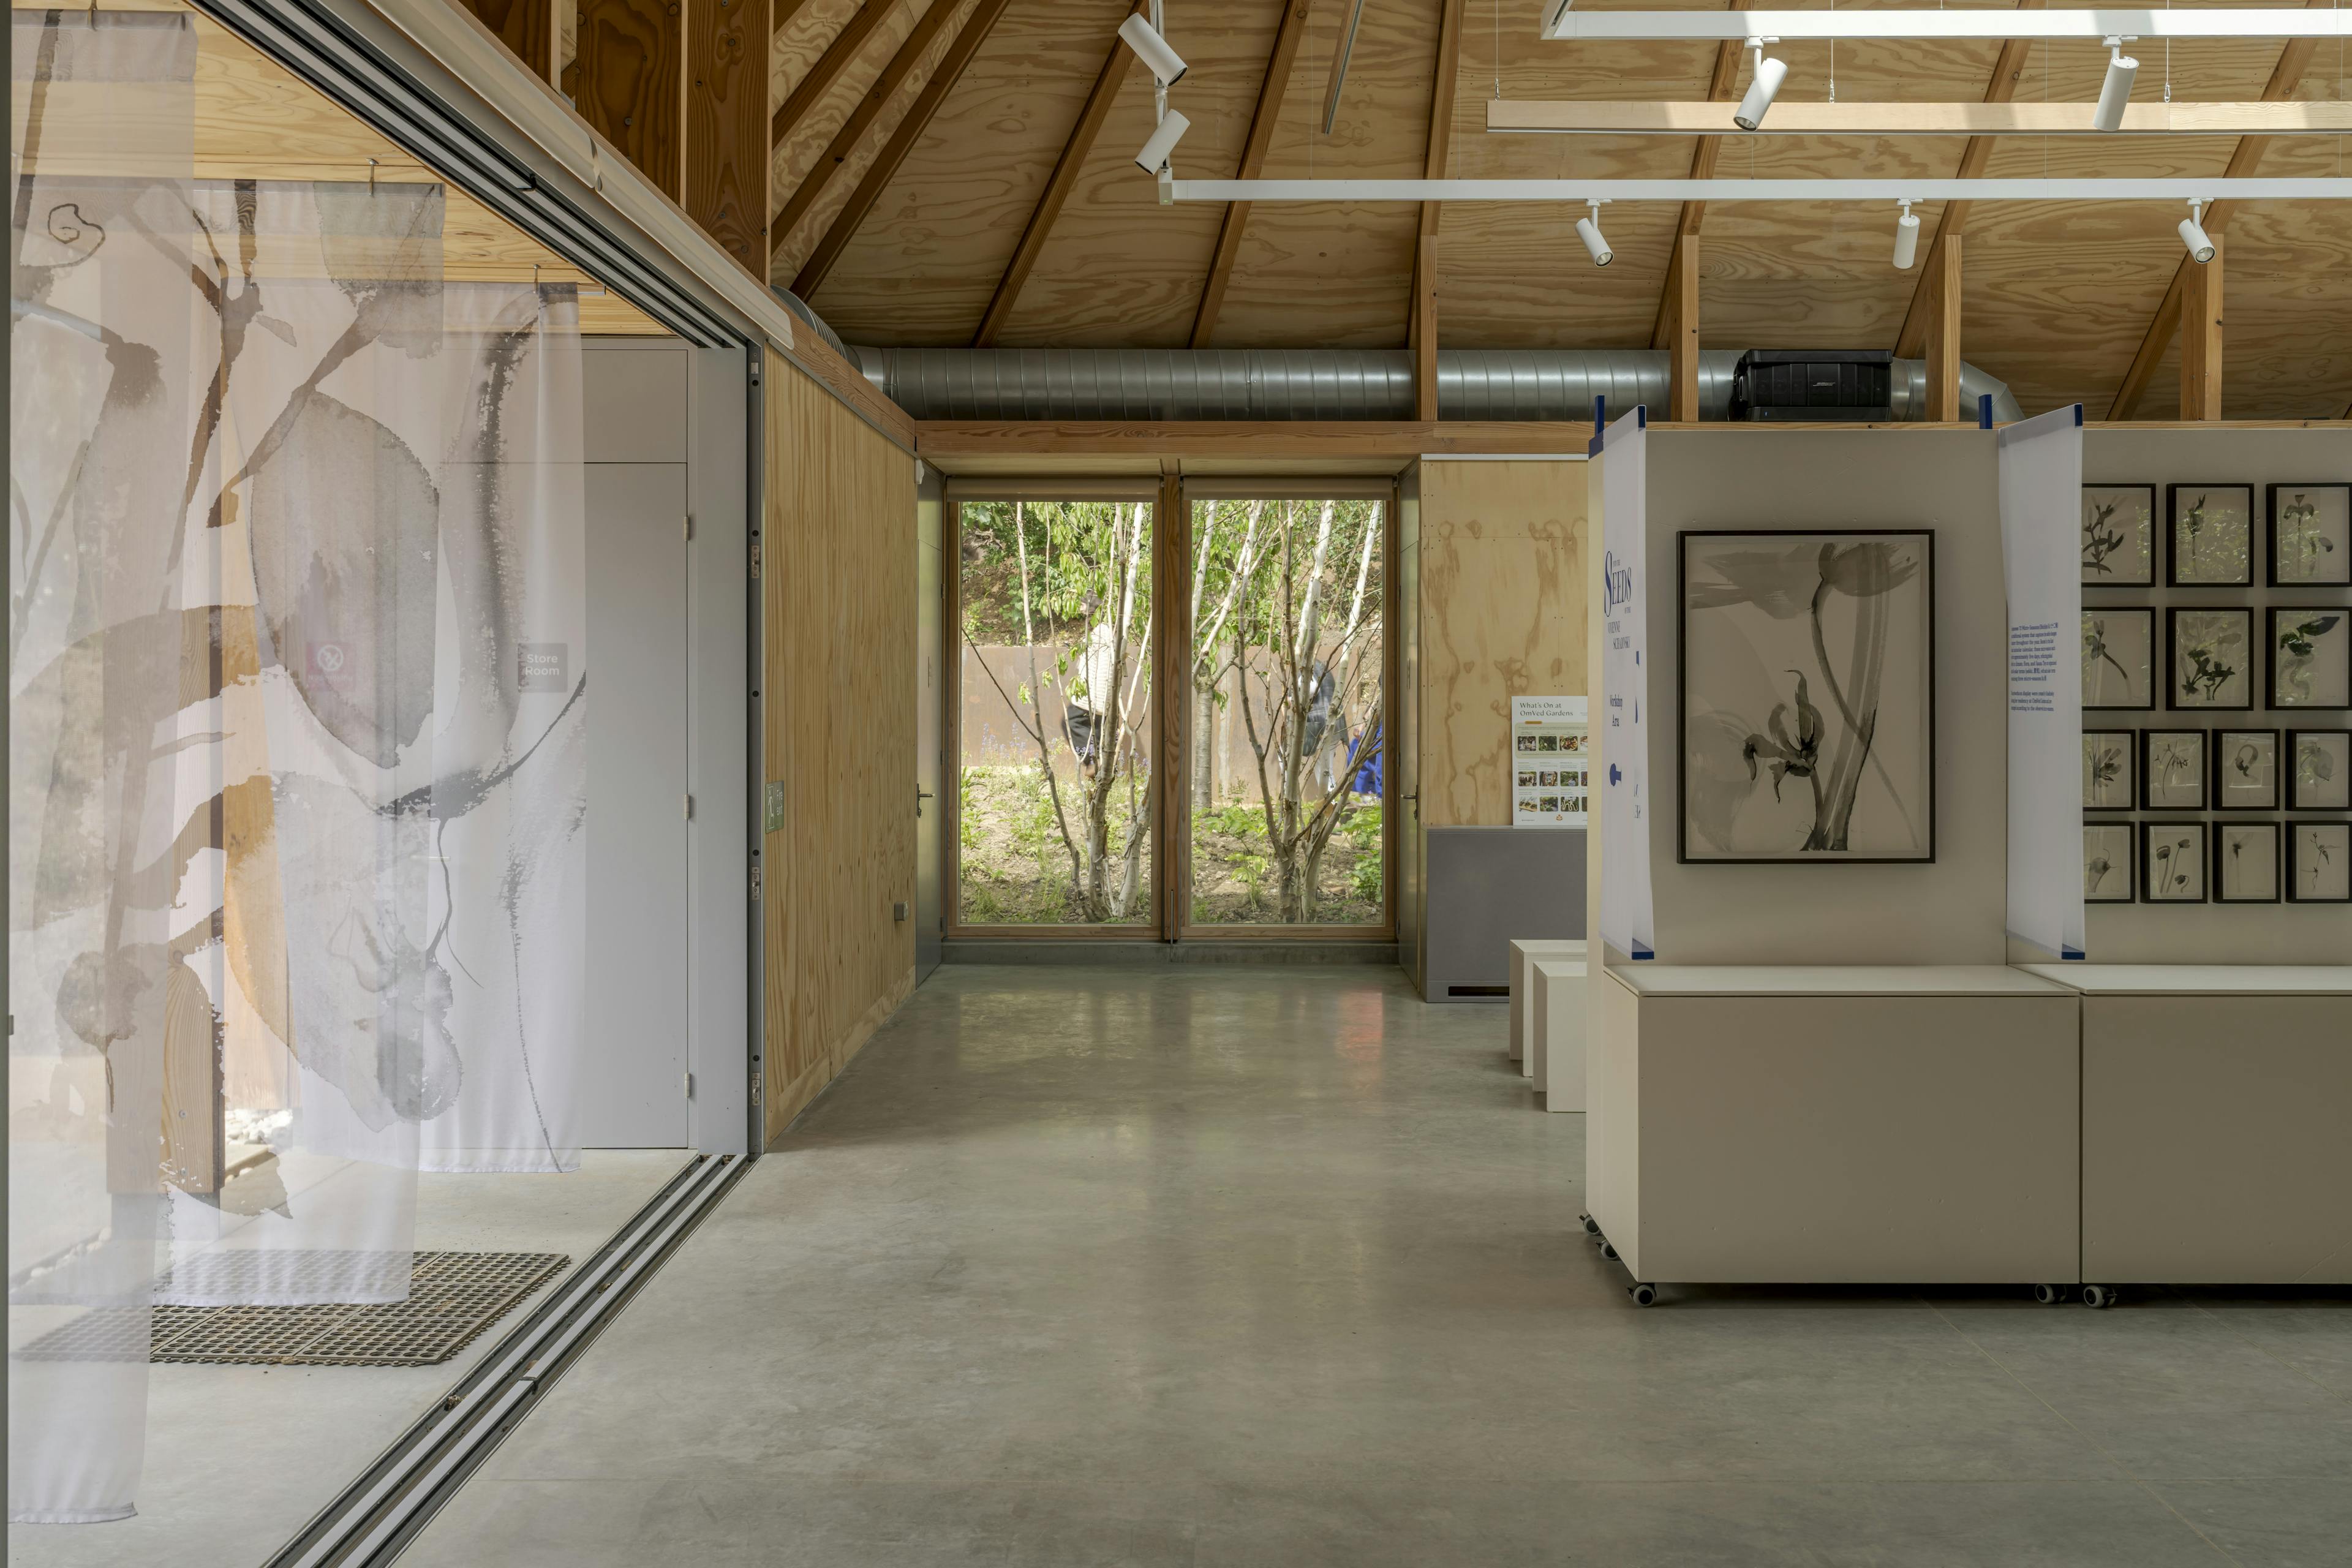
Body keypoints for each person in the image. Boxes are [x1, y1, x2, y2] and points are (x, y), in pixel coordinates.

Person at [1064, 616, 1119, 779]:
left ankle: (1093, 763)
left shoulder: (1101, 633)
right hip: (1101, 698)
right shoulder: (1105, 631)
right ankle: (1101, 774)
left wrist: (1097, 699)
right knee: (1095, 731)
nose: (1081, 612)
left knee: (1070, 721)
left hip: (1093, 696)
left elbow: (1102, 668)